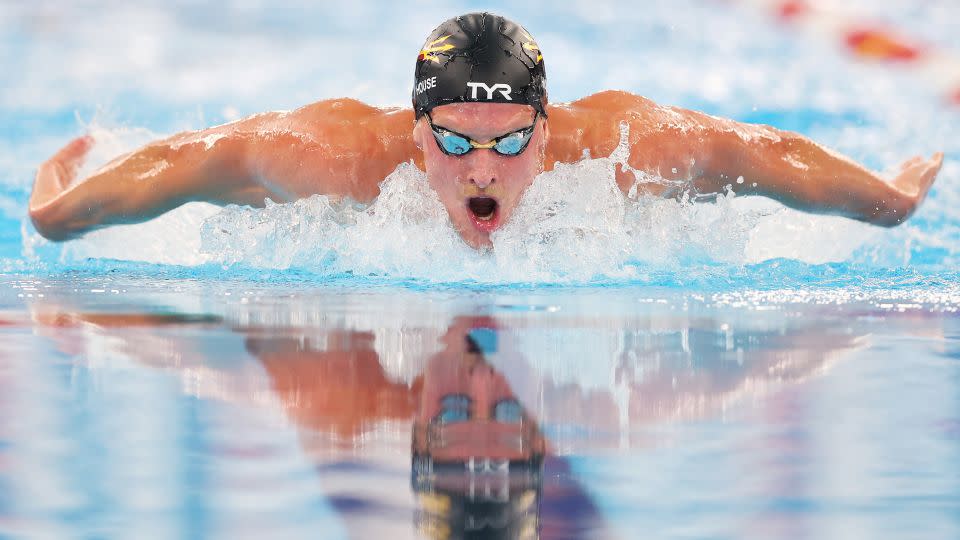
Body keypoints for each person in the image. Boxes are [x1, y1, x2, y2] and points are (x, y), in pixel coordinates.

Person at [29, 12, 944, 249]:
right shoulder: (335, 158)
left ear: (547, 134)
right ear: (413, 130)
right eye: (455, 141)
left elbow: (758, 152)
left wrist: (886, 203)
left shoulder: (618, 150)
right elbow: (191, 160)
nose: (483, 169)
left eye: (510, 143)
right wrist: (58, 213)